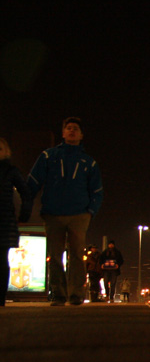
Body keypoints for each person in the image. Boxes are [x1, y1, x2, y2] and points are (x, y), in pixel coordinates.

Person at [25, 117, 103, 306]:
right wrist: (26, 202)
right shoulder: (48, 156)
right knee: (55, 254)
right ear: (63, 133)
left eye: (75, 129)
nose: (71, 131)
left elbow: (97, 190)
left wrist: (90, 211)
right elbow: (34, 181)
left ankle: (76, 294)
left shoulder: (88, 162)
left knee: (77, 254)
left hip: (79, 215)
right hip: (53, 213)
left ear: (81, 134)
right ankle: (58, 294)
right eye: (68, 128)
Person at [0, 138, 32, 307]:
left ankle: (0, 298)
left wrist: (24, 214)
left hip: (4, 220)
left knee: (1, 259)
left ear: (5, 152)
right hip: (6, 219)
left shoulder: (11, 171)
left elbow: (25, 192)